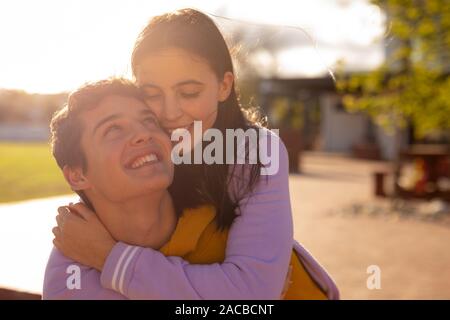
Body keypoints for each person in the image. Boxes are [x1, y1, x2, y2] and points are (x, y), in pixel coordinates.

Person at [51, 8, 339, 299]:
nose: (169, 113)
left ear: (224, 86)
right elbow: (96, 193)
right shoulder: (149, 151)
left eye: (188, 92)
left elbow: (252, 292)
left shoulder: (254, 152)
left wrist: (109, 256)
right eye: (151, 93)